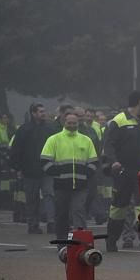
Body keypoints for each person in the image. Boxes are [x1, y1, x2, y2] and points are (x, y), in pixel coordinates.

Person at [102, 91, 140, 251]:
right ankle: (112, 240)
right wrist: (114, 161)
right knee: (118, 208)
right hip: (123, 172)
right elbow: (108, 145)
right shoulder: (118, 121)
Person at [39, 110, 98, 244]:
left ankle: (81, 242)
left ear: (78, 123)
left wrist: (86, 174)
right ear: (63, 123)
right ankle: (62, 242)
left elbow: (94, 162)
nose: (72, 125)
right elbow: (44, 161)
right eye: (69, 122)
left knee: (79, 212)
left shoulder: (86, 140)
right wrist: (56, 173)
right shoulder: (54, 140)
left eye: (74, 123)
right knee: (61, 214)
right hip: (60, 185)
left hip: (81, 185)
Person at [8, 102, 56, 235]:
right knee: (32, 199)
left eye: (44, 111)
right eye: (40, 111)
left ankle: (51, 222)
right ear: (33, 113)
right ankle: (33, 225)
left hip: (47, 170)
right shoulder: (24, 130)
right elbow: (16, 150)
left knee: (49, 195)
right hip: (29, 171)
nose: (44, 114)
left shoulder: (50, 129)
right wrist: (16, 167)